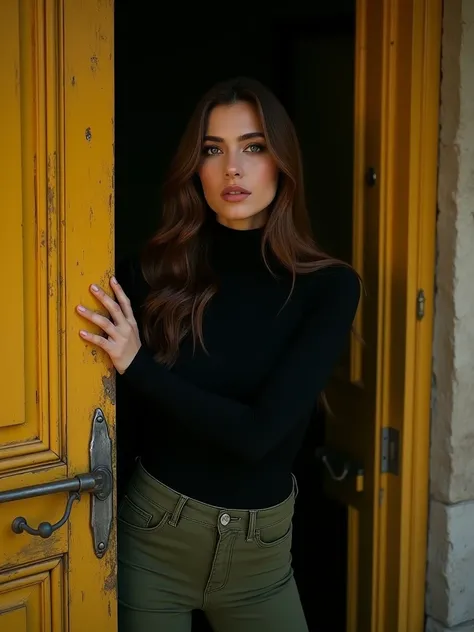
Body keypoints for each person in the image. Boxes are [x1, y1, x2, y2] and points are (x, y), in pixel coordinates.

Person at [76, 76, 361, 632]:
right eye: (214, 149)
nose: (233, 167)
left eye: (253, 147)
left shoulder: (329, 288)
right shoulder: (148, 273)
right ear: (196, 169)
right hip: (154, 532)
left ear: (282, 163)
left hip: (262, 555)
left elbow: (261, 435)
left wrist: (140, 367)